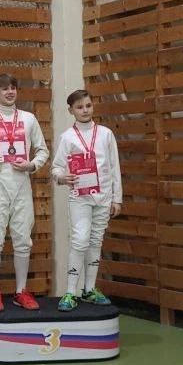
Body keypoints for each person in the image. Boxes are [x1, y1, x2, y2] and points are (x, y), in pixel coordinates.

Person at [0, 72, 49, 311]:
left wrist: (31, 165)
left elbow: (43, 151)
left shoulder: (28, 119)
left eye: (13, 87)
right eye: (4, 88)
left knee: (23, 241)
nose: (10, 92)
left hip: (22, 184)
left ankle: (21, 291)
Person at [51, 88, 122, 311]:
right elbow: (56, 167)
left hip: (104, 197)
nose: (85, 110)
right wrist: (62, 178)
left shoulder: (106, 134)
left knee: (95, 241)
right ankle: (70, 291)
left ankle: (89, 289)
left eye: (88, 106)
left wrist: (117, 198)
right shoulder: (67, 137)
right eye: (80, 107)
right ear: (71, 110)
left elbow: (114, 167)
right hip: (80, 197)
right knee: (80, 240)